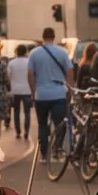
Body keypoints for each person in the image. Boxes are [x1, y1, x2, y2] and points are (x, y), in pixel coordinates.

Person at [28, 27, 73, 160]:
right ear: (54, 36)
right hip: (58, 93)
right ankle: (56, 149)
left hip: (41, 94)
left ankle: (43, 153)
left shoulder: (34, 53)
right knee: (59, 123)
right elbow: (70, 70)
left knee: (42, 124)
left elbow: (30, 74)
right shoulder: (62, 52)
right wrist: (70, 87)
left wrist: (32, 92)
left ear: (43, 37)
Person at [7, 44, 32, 141]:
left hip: (15, 90)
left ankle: (18, 131)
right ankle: (26, 131)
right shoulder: (29, 62)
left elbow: (8, 77)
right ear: (26, 51)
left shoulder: (12, 63)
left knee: (16, 111)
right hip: (27, 90)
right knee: (27, 112)